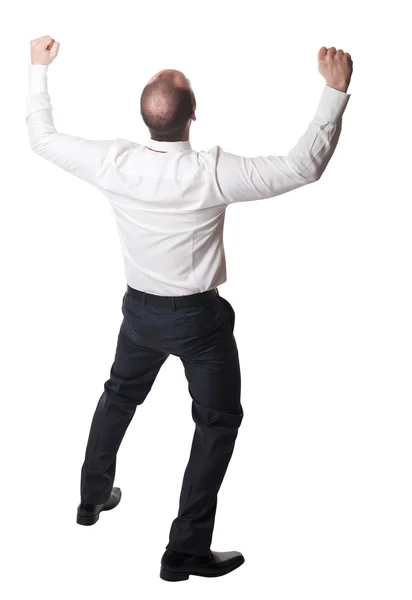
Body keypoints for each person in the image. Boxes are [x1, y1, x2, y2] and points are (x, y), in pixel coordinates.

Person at [26, 35, 353, 582]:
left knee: (118, 396)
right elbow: (303, 167)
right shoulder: (211, 172)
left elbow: (41, 137)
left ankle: (90, 499)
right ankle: (184, 551)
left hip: (140, 315)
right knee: (217, 420)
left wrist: (38, 68)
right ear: (193, 117)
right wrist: (335, 93)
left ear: (144, 118)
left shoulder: (113, 162)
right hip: (199, 322)